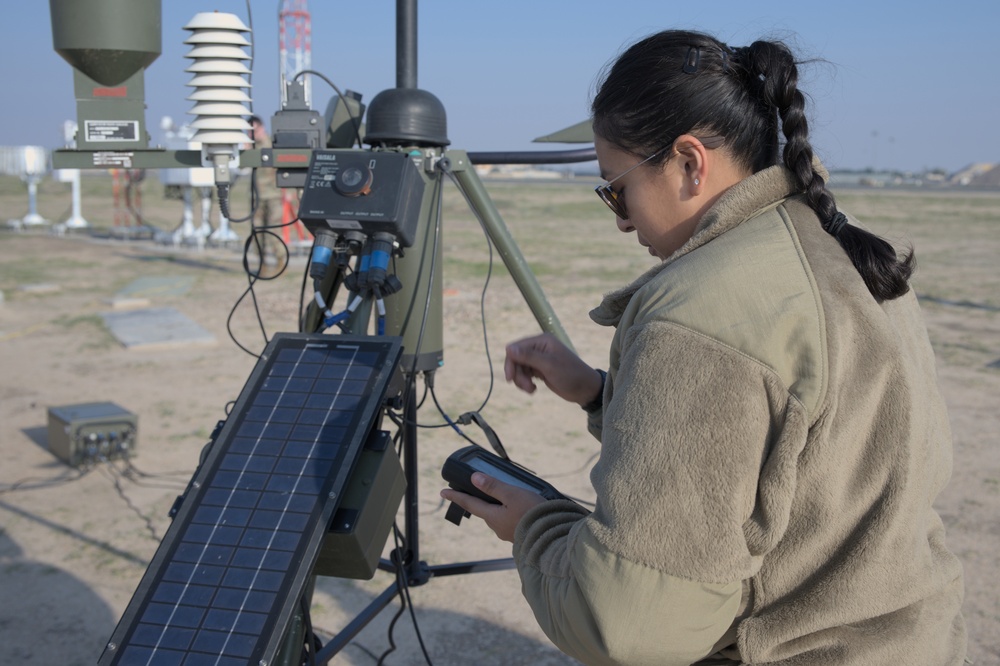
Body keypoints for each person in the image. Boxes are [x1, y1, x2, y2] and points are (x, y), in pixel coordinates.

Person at [440, 30, 967, 665]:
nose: (621, 219)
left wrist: (531, 526)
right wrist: (598, 392)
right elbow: (794, 457)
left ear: (690, 163)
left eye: (617, 188)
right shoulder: (852, 251)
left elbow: (631, 625)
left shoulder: (699, 311)